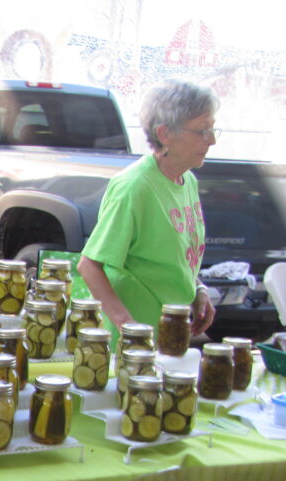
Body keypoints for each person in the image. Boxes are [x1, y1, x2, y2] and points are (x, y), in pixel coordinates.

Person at [79, 79, 218, 338]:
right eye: (202, 131)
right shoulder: (134, 187)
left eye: (212, 129)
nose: (212, 140)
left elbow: (170, 259)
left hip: (170, 335)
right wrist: (128, 326)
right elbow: (89, 266)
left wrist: (198, 289)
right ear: (165, 134)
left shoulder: (187, 181)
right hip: (130, 343)